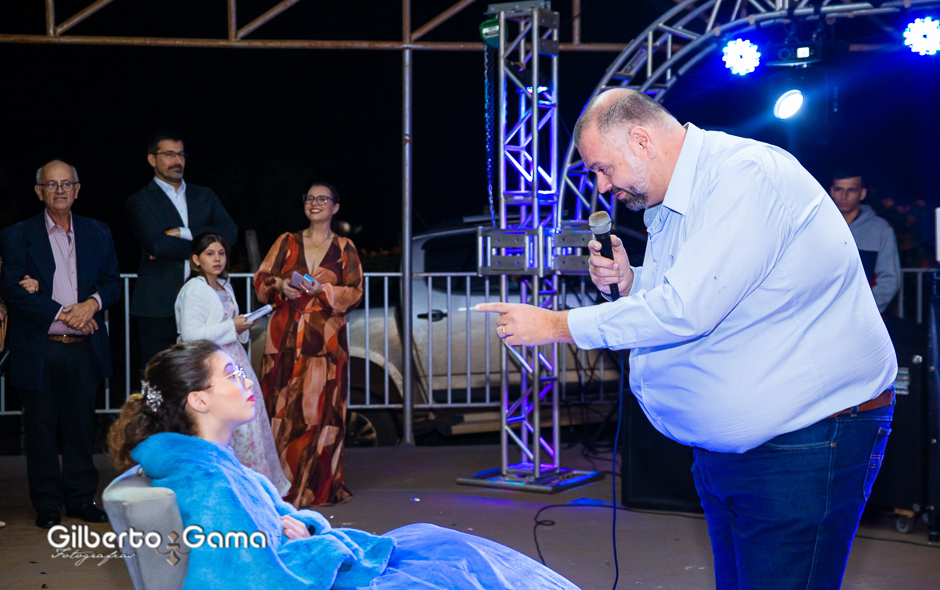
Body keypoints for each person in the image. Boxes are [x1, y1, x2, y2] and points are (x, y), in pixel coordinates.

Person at [478, 89, 897, 589]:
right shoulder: (673, 201)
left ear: (641, 140)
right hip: (740, 452)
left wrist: (556, 325)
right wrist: (631, 282)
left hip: (803, 444)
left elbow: (686, 309)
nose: (602, 186)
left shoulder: (745, 177)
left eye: (603, 169)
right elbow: (697, 291)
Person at [107, 340, 579, 590]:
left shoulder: (212, 462)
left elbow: (271, 525)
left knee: (444, 544)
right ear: (198, 400)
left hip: (308, 557)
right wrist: (316, 544)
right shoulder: (206, 478)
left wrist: (303, 529)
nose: (246, 379)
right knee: (455, 565)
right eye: (231, 374)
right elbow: (243, 577)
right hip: (311, 573)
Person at [0, 160, 121, 529]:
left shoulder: (98, 231)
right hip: (40, 348)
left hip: (84, 347)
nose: (59, 190)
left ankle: (81, 499)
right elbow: (12, 289)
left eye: (66, 184)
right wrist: (64, 313)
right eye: (51, 185)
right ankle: (48, 504)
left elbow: (112, 283)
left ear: (77, 190)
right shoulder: (17, 235)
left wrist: (92, 305)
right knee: (40, 429)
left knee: (81, 427)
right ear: (39, 192)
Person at [253, 182, 362, 506]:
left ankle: (316, 488)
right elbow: (261, 280)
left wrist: (324, 292)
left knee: (321, 413)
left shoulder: (344, 247)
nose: (315, 203)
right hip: (284, 339)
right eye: (310, 198)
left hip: (325, 344)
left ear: (335, 207)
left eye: (322, 199)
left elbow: (355, 292)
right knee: (280, 412)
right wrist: (280, 285)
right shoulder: (286, 242)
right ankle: (279, 488)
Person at [175, 232, 290, 494]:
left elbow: (230, 326)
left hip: (233, 361)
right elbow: (190, 335)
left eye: (221, 253)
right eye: (210, 254)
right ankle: (229, 489)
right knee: (223, 424)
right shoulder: (194, 289)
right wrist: (232, 326)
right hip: (210, 366)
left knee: (247, 424)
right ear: (196, 259)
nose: (217, 259)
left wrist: (243, 326)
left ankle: (254, 490)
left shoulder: (224, 286)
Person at [126, 129, 238, 372]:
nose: (177, 161)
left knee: (204, 378)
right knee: (158, 378)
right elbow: (157, 244)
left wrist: (184, 232)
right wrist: (206, 246)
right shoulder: (140, 200)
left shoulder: (205, 195)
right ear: (152, 159)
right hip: (159, 305)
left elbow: (230, 233)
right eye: (169, 154)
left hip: (206, 306)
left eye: (181, 154)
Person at [829, 170, 901, 313]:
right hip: (822, 316)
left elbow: (890, 279)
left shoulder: (880, 229)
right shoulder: (817, 226)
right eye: (839, 189)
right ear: (831, 191)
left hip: (862, 317)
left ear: (862, 193)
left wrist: (865, 310)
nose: (844, 196)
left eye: (851, 190)